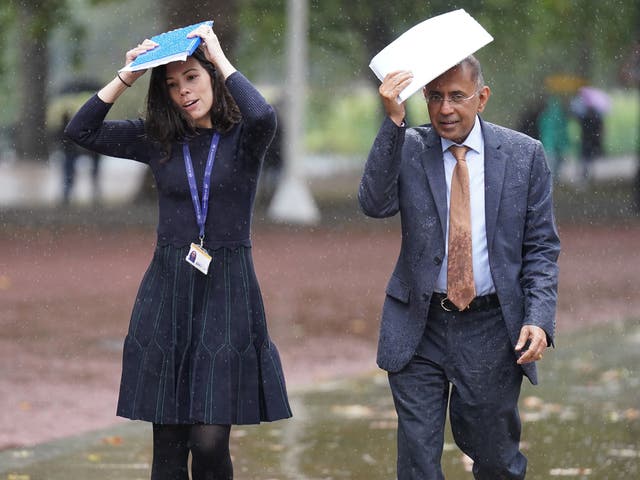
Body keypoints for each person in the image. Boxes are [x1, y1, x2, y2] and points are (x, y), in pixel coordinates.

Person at [65, 23, 291, 479]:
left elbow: (265, 115)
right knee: (168, 445)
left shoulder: (244, 138)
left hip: (227, 288)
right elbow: (81, 131)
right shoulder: (158, 139)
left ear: (211, 77)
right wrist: (129, 72)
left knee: (208, 441)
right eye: (172, 84)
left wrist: (220, 57)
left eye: (192, 77)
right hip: (168, 289)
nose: (184, 91)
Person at [359, 56, 560, 479]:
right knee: (417, 459)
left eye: (456, 96)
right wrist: (393, 122)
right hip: (419, 325)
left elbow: (541, 247)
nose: (445, 109)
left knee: (495, 460)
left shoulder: (525, 156)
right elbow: (374, 204)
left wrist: (538, 319)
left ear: (482, 98)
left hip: (491, 327)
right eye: (434, 97)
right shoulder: (411, 148)